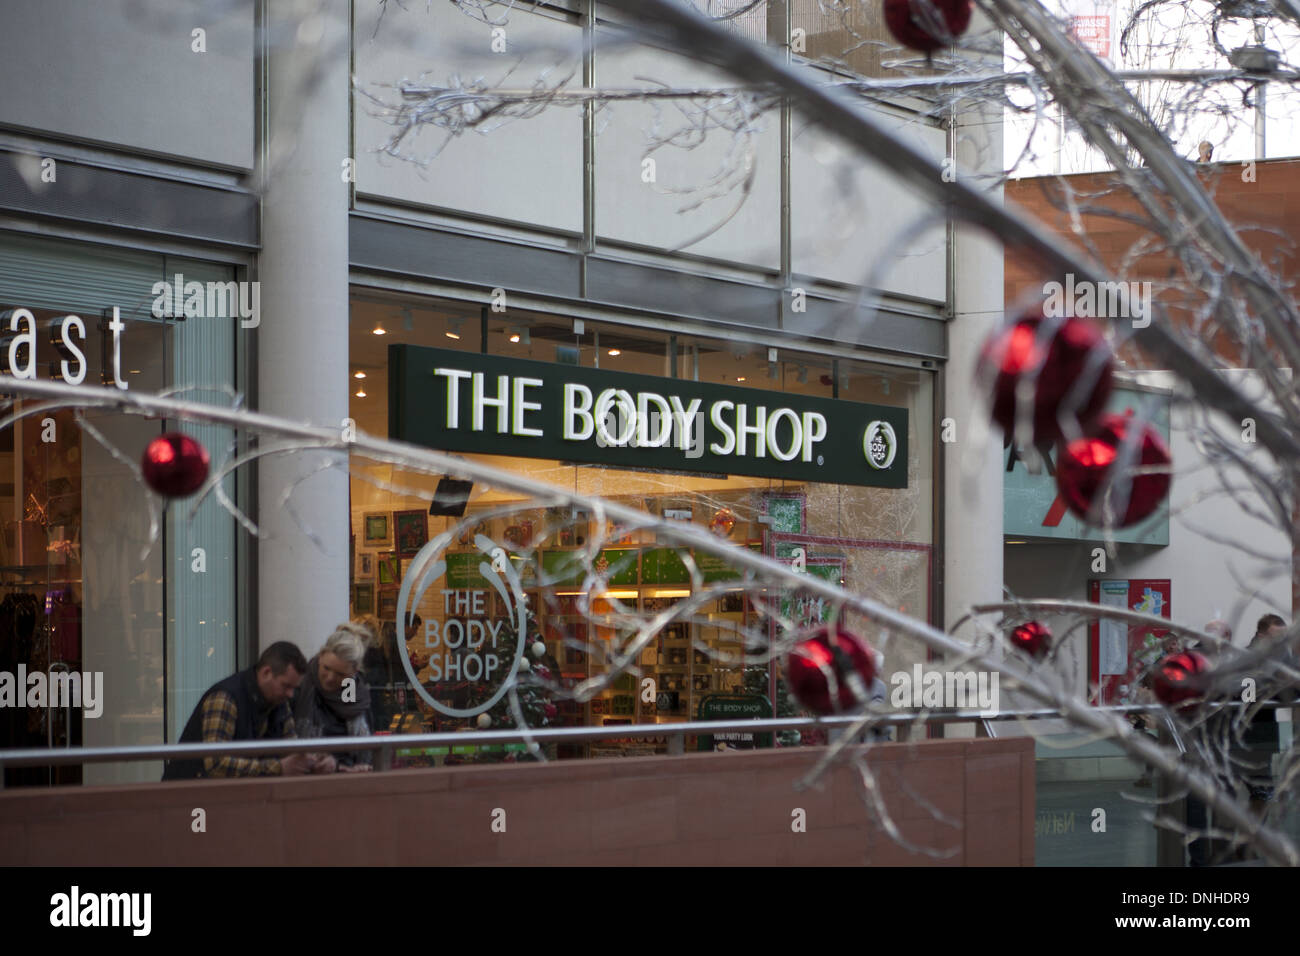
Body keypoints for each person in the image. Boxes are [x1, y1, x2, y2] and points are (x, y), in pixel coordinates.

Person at [162, 641, 314, 780]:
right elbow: (216, 764)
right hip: (188, 796)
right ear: (266, 673)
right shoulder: (225, 698)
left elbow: (292, 748)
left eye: (294, 688)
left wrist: (313, 762)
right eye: (286, 686)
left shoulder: (279, 702)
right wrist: (278, 768)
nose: (291, 694)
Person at [293, 622, 375, 772]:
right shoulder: (300, 684)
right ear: (321, 655)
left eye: (340, 674)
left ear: (354, 672)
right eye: (326, 668)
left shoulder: (350, 691)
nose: (330, 678)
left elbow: (350, 714)